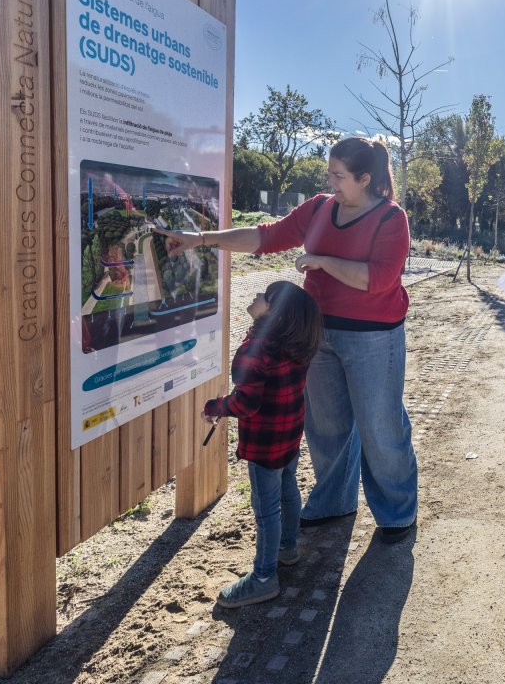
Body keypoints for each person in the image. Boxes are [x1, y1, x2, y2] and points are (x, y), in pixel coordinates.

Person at [158, 137, 419, 544]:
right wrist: (202, 239)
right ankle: (335, 502)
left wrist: (322, 262)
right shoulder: (318, 208)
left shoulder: (391, 219)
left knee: (380, 427)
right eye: (329, 172)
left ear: (365, 178)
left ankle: (397, 515)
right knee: (326, 428)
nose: (330, 181)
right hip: (316, 336)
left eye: (339, 175)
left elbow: (378, 280)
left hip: (374, 338)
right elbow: (265, 237)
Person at [204, 281, 322, 608]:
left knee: (266, 509)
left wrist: (214, 407)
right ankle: (287, 548)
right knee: (288, 490)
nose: (256, 298)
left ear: (276, 314)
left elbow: (245, 404)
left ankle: (264, 577)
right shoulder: (299, 344)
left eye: (264, 298)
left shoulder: (256, 350)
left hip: (264, 445)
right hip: (289, 436)